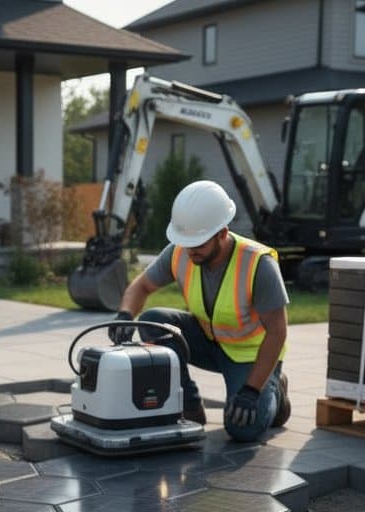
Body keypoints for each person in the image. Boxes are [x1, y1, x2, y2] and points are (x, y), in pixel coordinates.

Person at [110, 179, 291, 443]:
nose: (191, 250)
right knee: (152, 322)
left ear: (222, 233)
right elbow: (142, 286)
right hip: (208, 342)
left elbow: (277, 332)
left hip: (250, 355)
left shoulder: (257, 264)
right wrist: (125, 314)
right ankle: (191, 404)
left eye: (199, 243)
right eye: (186, 242)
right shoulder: (180, 252)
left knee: (243, 428)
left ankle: (275, 391)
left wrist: (252, 391)